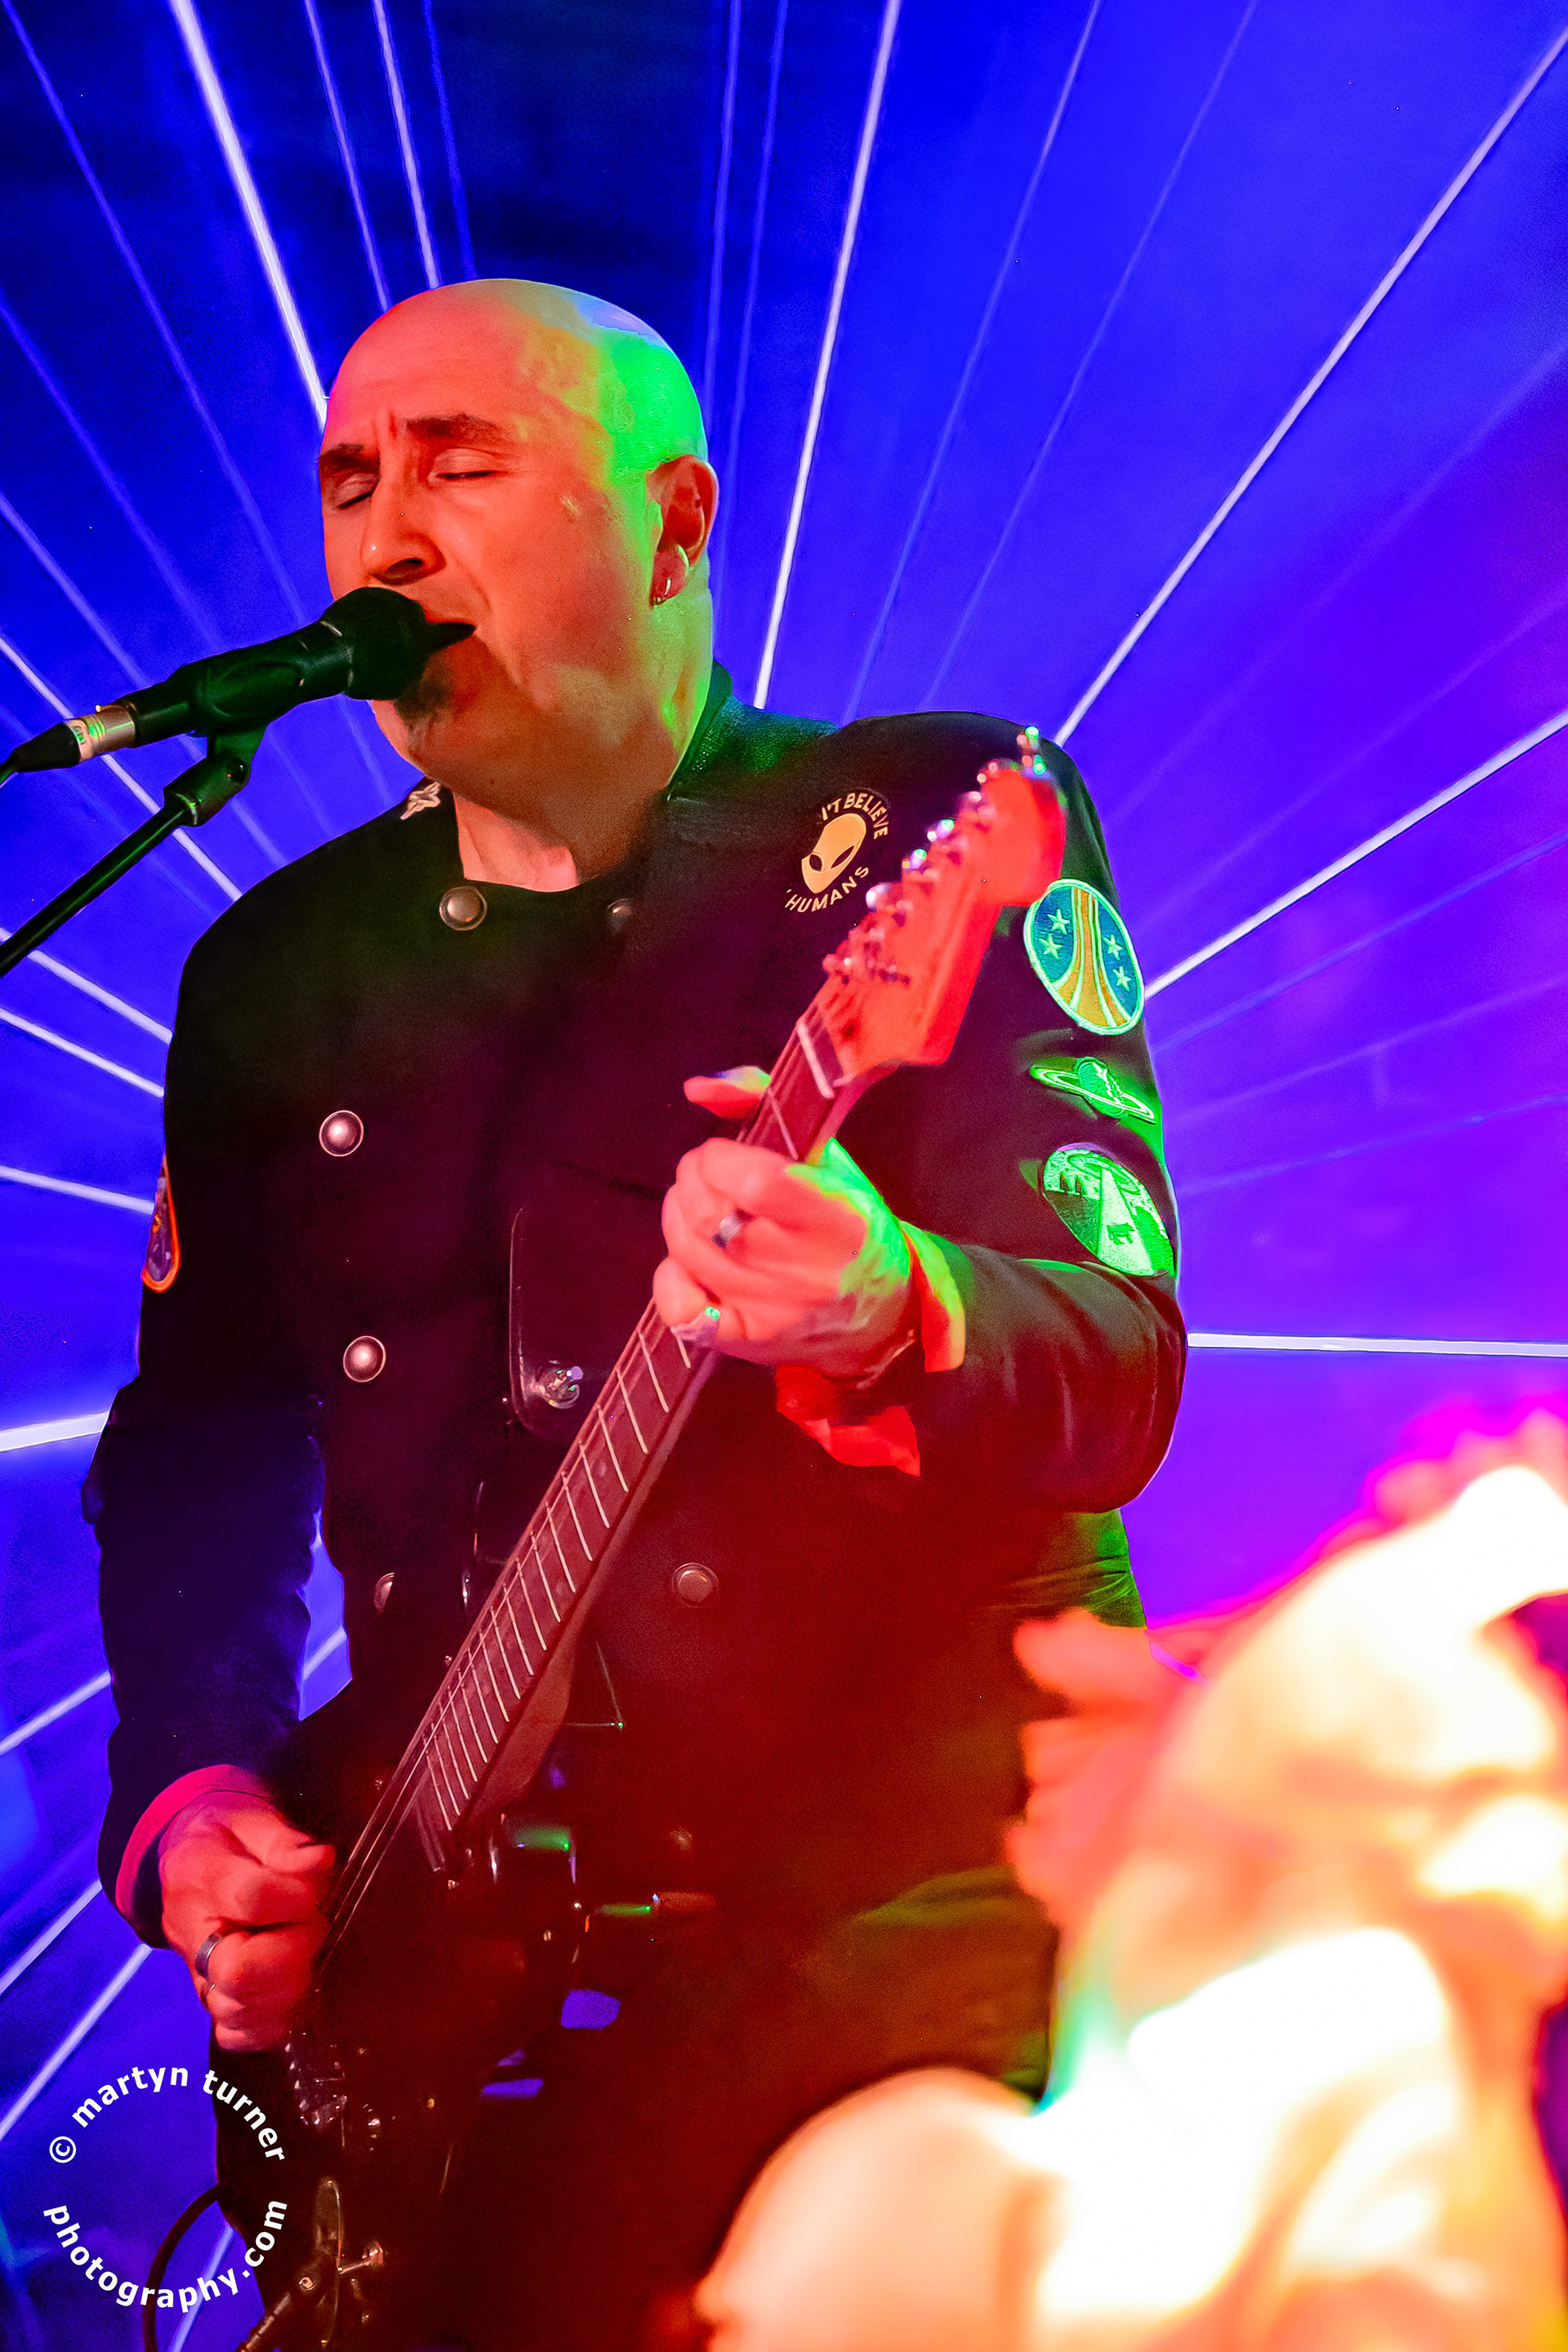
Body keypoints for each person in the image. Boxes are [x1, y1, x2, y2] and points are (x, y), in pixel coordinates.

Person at [87, 278, 1185, 2350]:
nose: (386, 535)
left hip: (901, 1946)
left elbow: (1113, 1370)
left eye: (460, 467)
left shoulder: (910, 830)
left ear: (674, 527)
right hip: (442, 1988)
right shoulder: (278, 974)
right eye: (349, 481)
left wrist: (894, 1298)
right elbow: (200, 1455)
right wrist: (197, 1797)